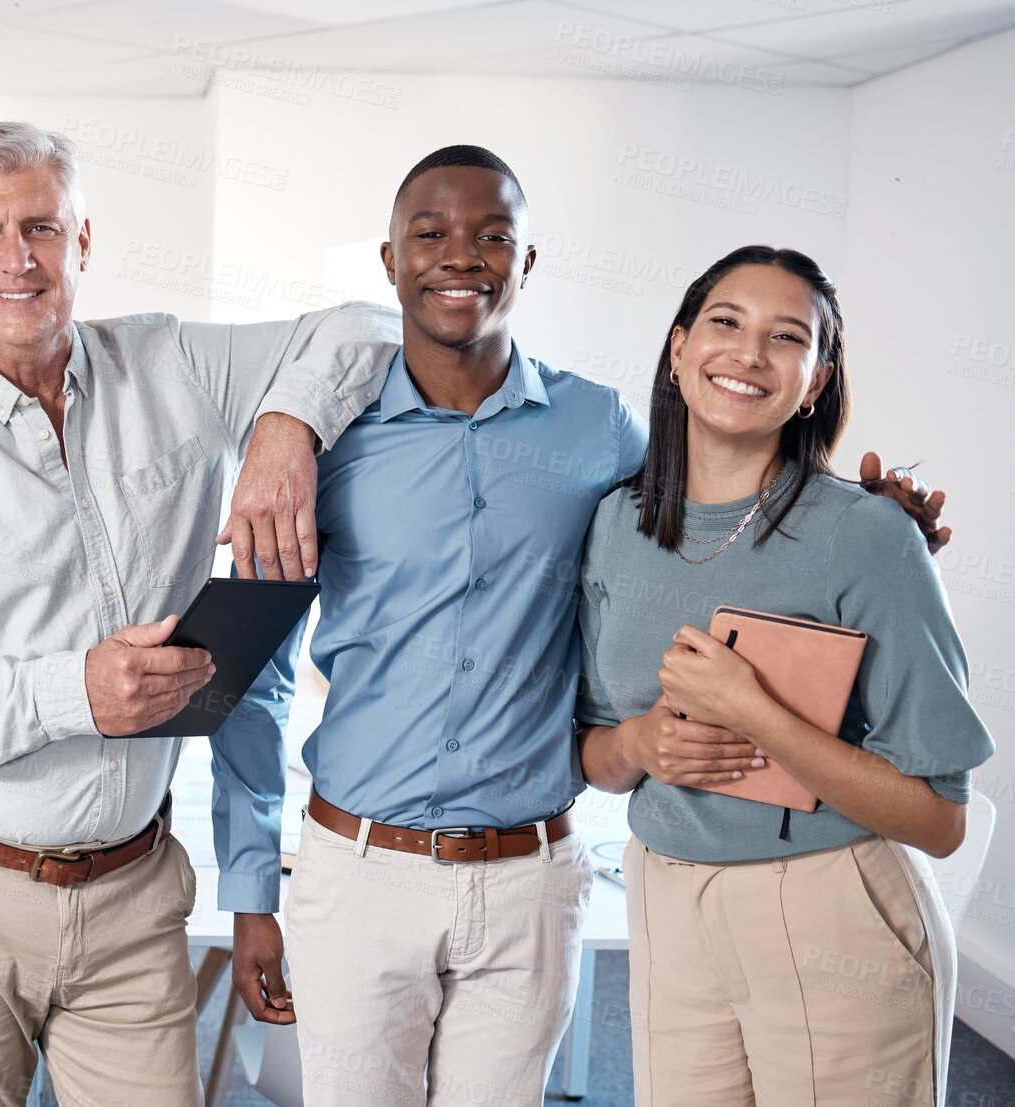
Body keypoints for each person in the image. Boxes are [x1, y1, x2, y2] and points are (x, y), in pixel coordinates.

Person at [210, 148, 952, 1107]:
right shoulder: (323, 441)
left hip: (531, 879)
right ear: (389, 262)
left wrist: (876, 515)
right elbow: (251, 675)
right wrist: (248, 894)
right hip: (356, 878)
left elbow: (723, 513)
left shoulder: (598, 427)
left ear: (527, 263)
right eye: (428, 235)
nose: (460, 256)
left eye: (493, 236)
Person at [0, 120, 398, 1106]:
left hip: (132, 894)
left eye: (41, 226)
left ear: (84, 240)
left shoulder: (169, 365)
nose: (17, 260)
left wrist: (286, 428)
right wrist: (70, 693)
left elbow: (370, 325)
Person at [575, 245, 993, 1106]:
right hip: (666, 895)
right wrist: (641, 741)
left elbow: (939, 819)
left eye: (786, 337)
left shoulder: (871, 537)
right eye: (726, 323)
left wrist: (755, 713)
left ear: (814, 382)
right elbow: (591, 751)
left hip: (828, 905)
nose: (748, 354)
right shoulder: (613, 523)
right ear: (680, 347)